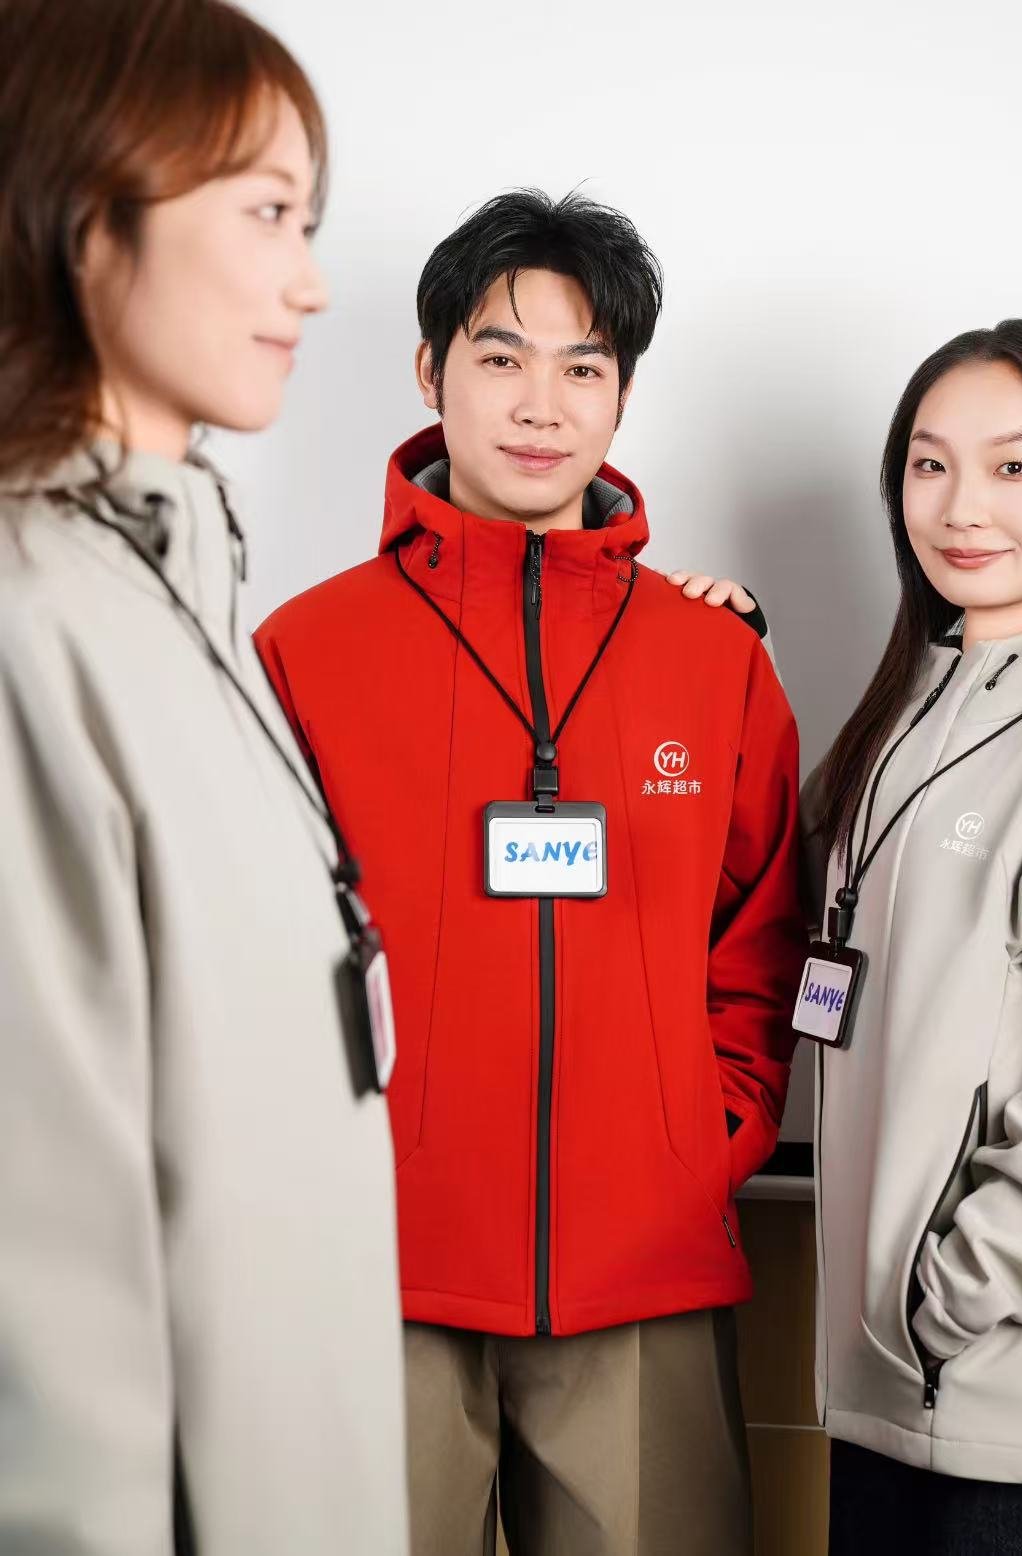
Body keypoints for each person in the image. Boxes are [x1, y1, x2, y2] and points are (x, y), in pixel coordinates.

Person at [255, 188, 808, 1556]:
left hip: (646, 1274)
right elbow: (251, 954)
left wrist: (703, 1140)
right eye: (501, 356)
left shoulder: (714, 661)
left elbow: (761, 944)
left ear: (623, 394)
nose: (539, 405)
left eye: (583, 367)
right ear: (430, 369)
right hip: (377, 1270)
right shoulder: (303, 652)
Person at [0, 2, 407, 1551]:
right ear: (85, 217)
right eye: (265, 212)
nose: (309, 281)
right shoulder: (31, 621)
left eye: (311, 221)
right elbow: (38, 1266)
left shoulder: (187, 593)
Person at [684, 319, 1022, 1554]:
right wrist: (730, 671)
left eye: (1013, 466)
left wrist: (947, 1295)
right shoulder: (912, 699)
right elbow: (832, 915)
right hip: (888, 1384)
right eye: (928, 463)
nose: (961, 506)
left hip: (1006, 1391)